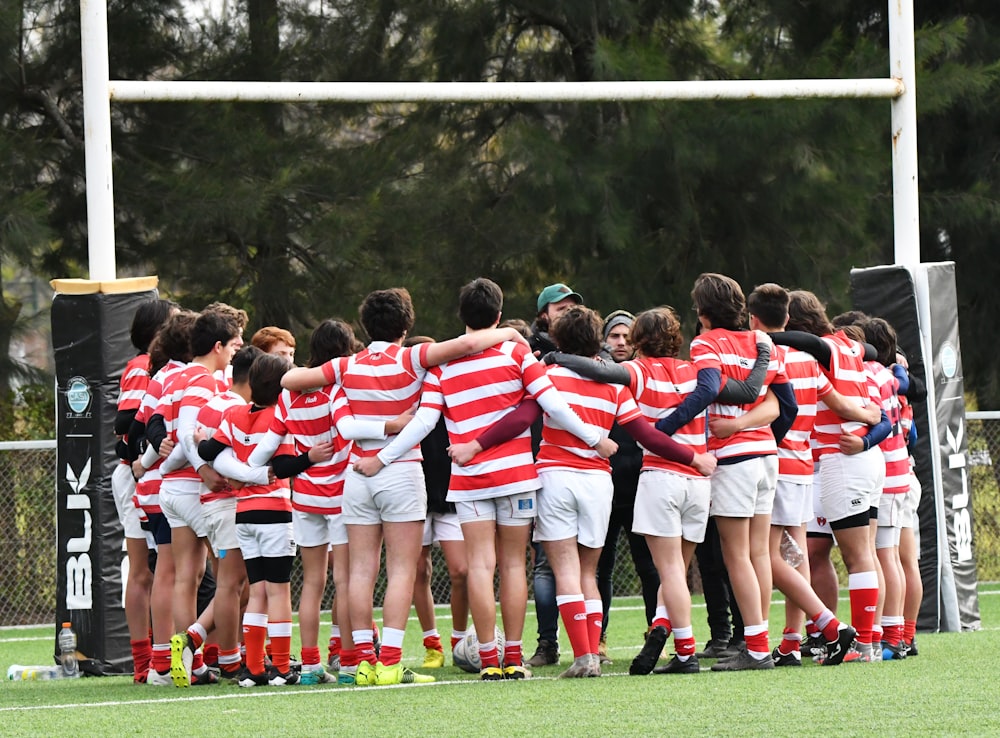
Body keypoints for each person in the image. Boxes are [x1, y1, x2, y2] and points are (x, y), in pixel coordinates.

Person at [364, 279, 617, 681]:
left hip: (469, 481)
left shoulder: (443, 364)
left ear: (462, 317)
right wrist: (595, 439)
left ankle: (489, 660)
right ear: (499, 317)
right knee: (514, 566)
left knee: (481, 566)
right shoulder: (517, 353)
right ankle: (514, 658)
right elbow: (553, 404)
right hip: (517, 477)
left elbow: (424, 422)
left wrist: (381, 458)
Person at [281, 287, 533, 686]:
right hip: (399, 471)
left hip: (356, 475)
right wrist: (509, 335)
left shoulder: (347, 366)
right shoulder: (414, 357)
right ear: (406, 325)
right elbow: (465, 346)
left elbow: (289, 378)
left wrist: (371, 436)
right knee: (402, 570)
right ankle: (391, 663)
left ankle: (363, 662)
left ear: (365, 325)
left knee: (361, 571)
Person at [545, 305, 763, 675]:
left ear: (637, 341)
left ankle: (685, 652)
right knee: (677, 568)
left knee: (670, 572)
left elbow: (598, 370)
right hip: (700, 481)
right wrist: (765, 352)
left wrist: (555, 355)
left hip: (662, 475)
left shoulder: (635, 370)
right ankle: (663, 628)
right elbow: (747, 389)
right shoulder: (698, 370)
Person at [250, 319, 408, 685]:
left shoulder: (288, 396)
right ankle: (351, 662)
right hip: (340, 497)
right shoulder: (337, 390)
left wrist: (294, 460)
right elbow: (349, 429)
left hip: (303, 499)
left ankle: (309, 667)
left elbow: (260, 456)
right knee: (348, 579)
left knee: (311, 585)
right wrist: (392, 425)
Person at [735, 284, 880, 666]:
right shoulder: (823, 357)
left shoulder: (775, 356)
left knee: (764, 556)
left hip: (785, 459)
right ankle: (793, 639)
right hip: (806, 462)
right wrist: (869, 418)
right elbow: (842, 394)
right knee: (801, 551)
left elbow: (765, 404)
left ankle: (832, 629)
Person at [669, 273, 795, 671]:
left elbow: (707, 391)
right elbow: (784, 403)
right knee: (759, 552)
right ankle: (760, 641)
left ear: (703, 311)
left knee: (736, 555)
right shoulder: (763, 342)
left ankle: (756, 649)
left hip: (734, 458)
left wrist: (665, 429)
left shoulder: (704, 342)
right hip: (766, 454)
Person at [774, 290, 892, 662]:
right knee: (815, 550)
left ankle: (864, 643)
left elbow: (806, 342)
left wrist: (761, 334)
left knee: (858, 556)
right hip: (847, 460)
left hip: (843, 458)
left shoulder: (823, 347)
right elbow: (869, 353)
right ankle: (840, 637)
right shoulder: (850, 345)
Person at [146, 307, 245, 687]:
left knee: (187, 575)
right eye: (232, 345)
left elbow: (154, 423)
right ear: (218, 346)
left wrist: (152, 464)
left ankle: (187, 663)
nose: (235, 352)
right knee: (232, 580)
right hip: (193, 488)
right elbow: (187, 433)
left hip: (171, 489)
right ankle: (230, 660)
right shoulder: (205, 381)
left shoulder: (171, 376)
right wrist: (198, 468)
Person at [198, 353, 297, 686]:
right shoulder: (282, 419)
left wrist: (201, 442)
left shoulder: (235, 415)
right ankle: (282, 667)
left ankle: (253, 668)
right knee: (279, 592)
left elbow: (208, 451)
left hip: (244, 515)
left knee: (257, 592)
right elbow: (283, 467)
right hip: (275, 512)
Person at [112, 298, 177, 682]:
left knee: (160, 570)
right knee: (143, 572)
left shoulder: (162, 369)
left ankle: (157, 656)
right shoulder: (142, 368)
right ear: (157, 332)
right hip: (137, 476)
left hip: (148, 475)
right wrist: (140, 461)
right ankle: (144, 662)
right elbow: (127, 424)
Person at [593, 310, 659, 661]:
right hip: (603, 484)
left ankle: (655, 631)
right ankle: (597, 639)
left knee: (648, 564)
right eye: (614, 336)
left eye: (626, 336)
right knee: (600, 566)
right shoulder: (595, 375)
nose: (620, 342)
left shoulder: (645, 376)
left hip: (640, 485)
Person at [403, 336, 470, 669]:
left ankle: (460, 643)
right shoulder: (402, 397)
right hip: (413, 493)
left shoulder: (451, 389)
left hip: (450, 492)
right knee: (417, 570)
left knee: (462, 570)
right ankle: (433, 645)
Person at [525, 282, 583, 667]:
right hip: (545, 465)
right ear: (544, 314)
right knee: (546, 561)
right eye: (559, 308)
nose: (566, 312)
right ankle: (548, 643)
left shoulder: (591, 355)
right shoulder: (531, 356)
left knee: (597, 561)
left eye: (571, 307)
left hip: (590, 469)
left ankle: (596, 638)